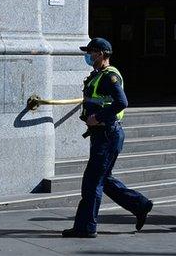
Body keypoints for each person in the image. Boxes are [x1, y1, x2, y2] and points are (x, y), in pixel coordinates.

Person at [62, 38, 153, 238]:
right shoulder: (99, 75)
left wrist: (98, 117)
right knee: (103, 179)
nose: (88, 55)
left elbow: (122, 102)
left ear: (102, 53)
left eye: (91, 52)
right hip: (103, 134)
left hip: (108, 134)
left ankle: (86, 228)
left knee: (92, 182)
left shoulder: (109, 76)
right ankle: (140, 204)